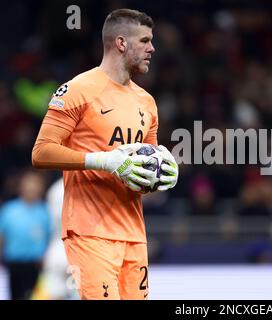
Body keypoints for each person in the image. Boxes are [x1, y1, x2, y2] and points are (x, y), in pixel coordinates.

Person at [31, 9, 179, 300]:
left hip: (133, 232)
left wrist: (161, 176)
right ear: (121, 43)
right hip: (89, 231)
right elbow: (41, 151)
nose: (153, 48)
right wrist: (102, 160)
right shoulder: (77, 90)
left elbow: (141, 170)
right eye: (145, 40)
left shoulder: (146, 102)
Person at [0, 170, 51, 299]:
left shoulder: (45, 211)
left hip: (37, 267)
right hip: (13, 264)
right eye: (29, 183)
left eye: (36, 183)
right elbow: (2, 236)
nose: (32, 187)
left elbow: (50, 237)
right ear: (21, 186)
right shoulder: (9, 210)